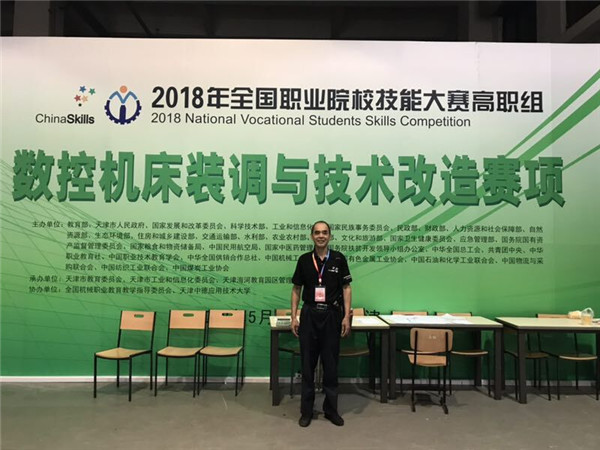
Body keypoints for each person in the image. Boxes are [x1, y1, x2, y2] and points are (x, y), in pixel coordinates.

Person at [291, 220, 352, 427]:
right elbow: (296, 289)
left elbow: (346, 288)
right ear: (311, 236)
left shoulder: (338, 259)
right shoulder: (304, 260)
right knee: (308, 366)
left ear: (330, 236)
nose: (321, 236)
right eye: (317, 232)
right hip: (309, 315)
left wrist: (345, 316)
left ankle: (331, 410)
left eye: (324, 232)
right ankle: (306, 411)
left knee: (331, 365)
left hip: (332, 315)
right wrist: (294, 317)